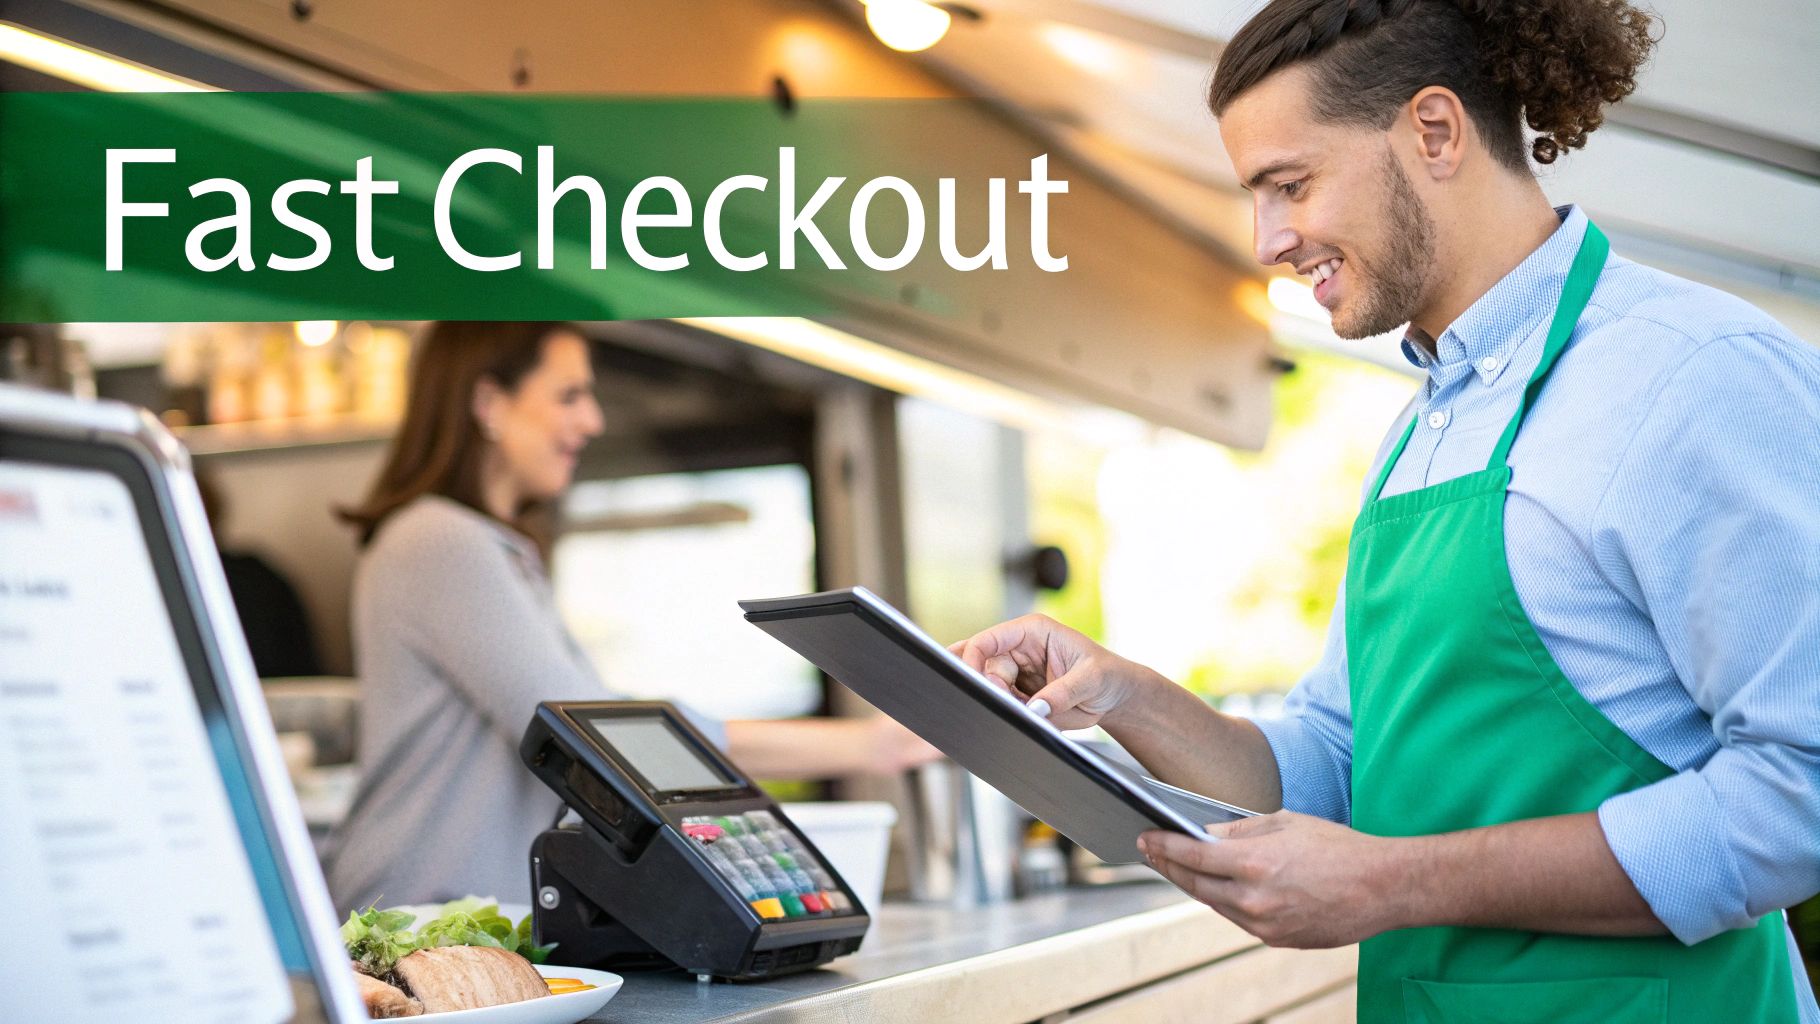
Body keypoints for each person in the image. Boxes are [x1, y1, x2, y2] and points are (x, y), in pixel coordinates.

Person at [954, 2, 1820, 1021]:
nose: (1268, 238)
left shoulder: (1687, 375)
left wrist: (1393, 880)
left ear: (1434, 131)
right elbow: (1334, 761)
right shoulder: (1419, 433)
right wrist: (1125, 698)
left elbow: (1797, 790)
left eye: (1290, 184)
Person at [325, 321, 937, 910]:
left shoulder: (492, 550)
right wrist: (871, 744)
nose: (592, 420)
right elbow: (597, 738)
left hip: (453, 924)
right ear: (488, 402)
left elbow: (600, 723)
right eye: (569, 395)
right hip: (406, 924)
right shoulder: (438, 541)